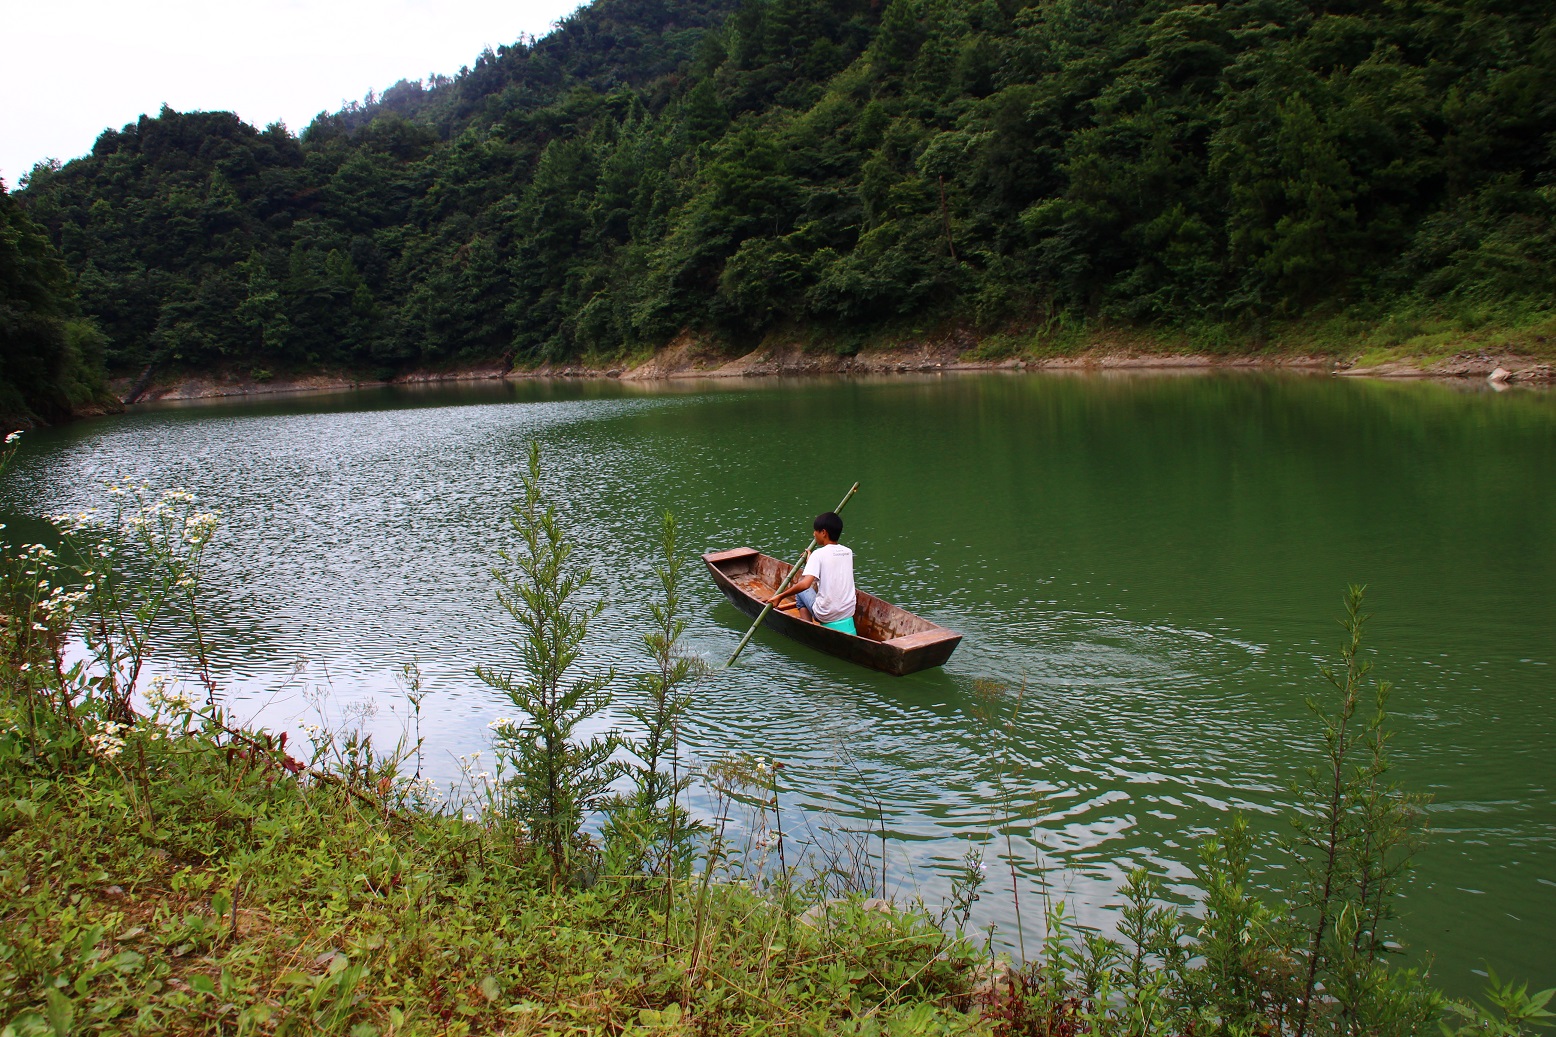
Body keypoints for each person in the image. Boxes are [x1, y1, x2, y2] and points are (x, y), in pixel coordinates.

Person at [769, 511, 857, 635]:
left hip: (826, 614)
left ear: (824, 533)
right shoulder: (848, 552)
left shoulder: (818, 554)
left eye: (815, 531)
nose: (813, 534)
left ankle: (809, 630)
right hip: (848, 611)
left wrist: (780, 596)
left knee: (800, 592)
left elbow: (805, 584)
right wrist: (811, 562)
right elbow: (829, 568)